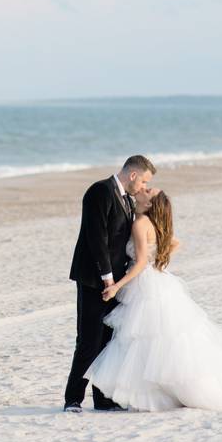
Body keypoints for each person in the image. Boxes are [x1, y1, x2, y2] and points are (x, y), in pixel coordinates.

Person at [85, 188, 222, 411]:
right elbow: (175, 243)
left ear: (149, 204)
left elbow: (140, 263)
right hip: (157, 279)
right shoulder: (152, 222)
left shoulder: (141, 223)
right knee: (157, 337)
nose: (143, 188)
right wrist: (159, 258)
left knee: (145, 337)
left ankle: (155, 391)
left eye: (148, 190)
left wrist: (117, 286)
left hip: (144, 283)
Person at [63, 155, 156, 412]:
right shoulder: (99, 191)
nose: (143, 187)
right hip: (94, 280)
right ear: (133, 174)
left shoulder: (127, 199)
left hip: (115, 283)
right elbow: (96, 238)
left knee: (107, 341)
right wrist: (107, 277)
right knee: (88, 340)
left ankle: (102, 399)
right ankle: (73, 398)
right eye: (144, 180)